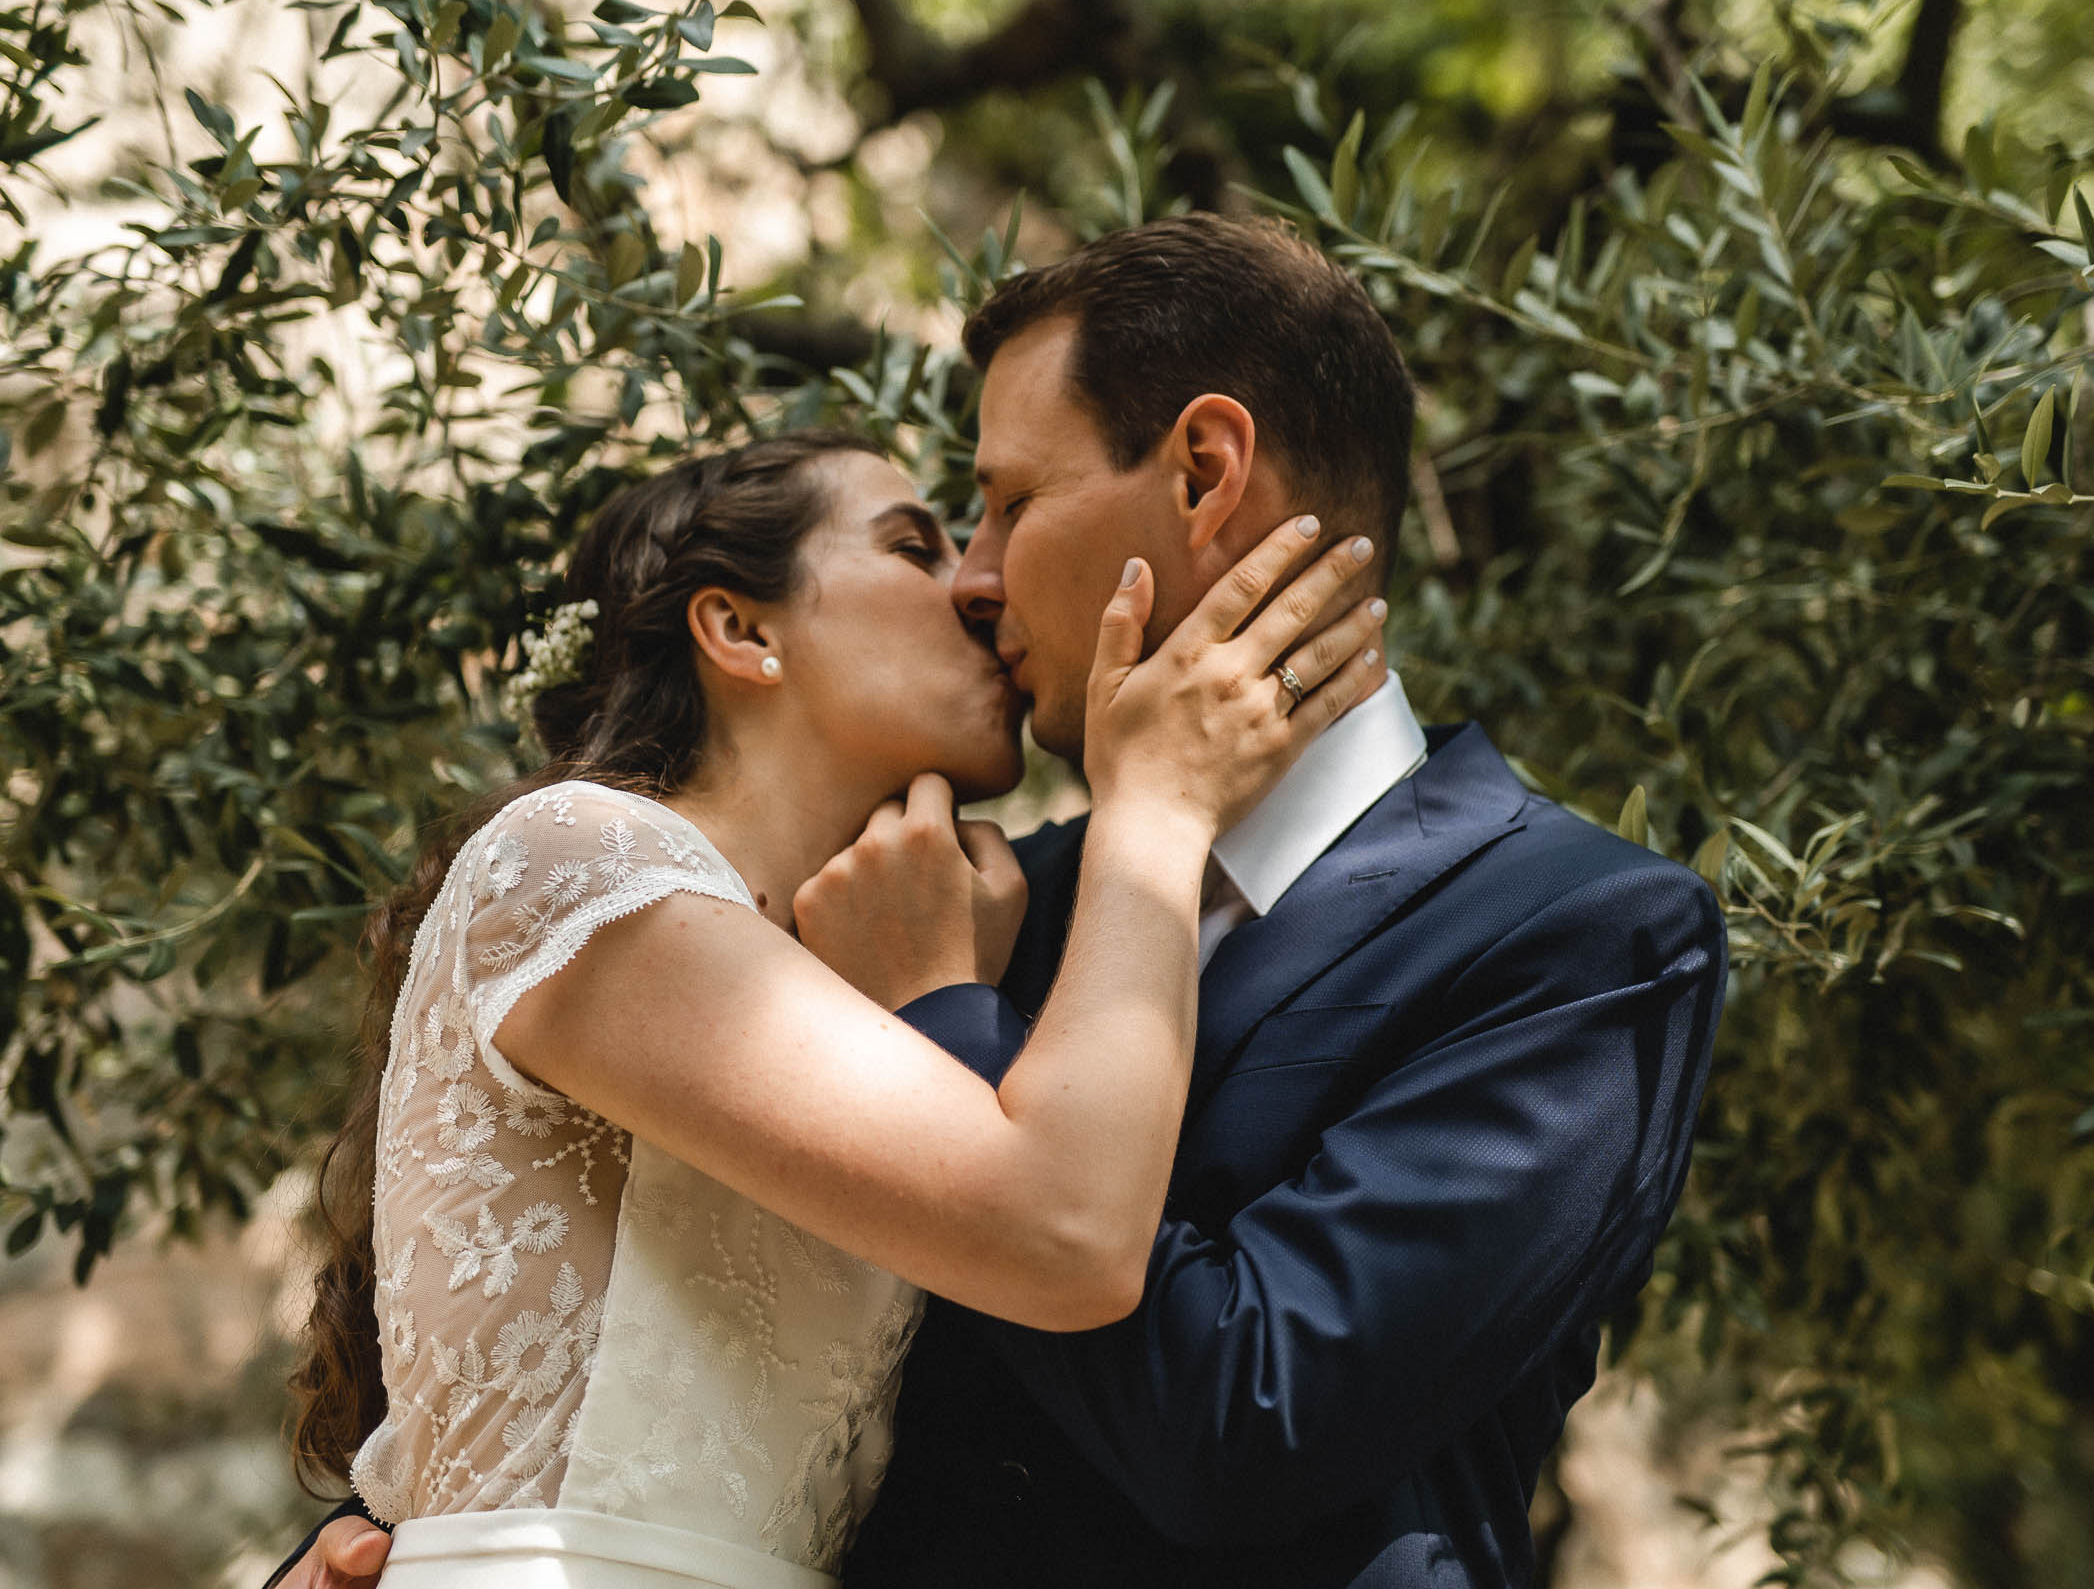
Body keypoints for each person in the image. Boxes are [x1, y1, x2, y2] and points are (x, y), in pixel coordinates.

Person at [281, 213, 1727, 1589]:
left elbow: (1250, 1421)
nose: (975, 577)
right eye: (938, 532)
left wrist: (946, 1009)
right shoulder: (969, 898)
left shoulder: (1581, 936)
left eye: (1009, 503)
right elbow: (619, 1291)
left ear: (1207, 471)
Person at [277, 424, 1389, 1588]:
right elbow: (1071, 1231)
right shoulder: (579, 858)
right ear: (741, 629)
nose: (976, 583)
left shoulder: (853, 975)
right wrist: (1155, 810)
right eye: (914, 544)